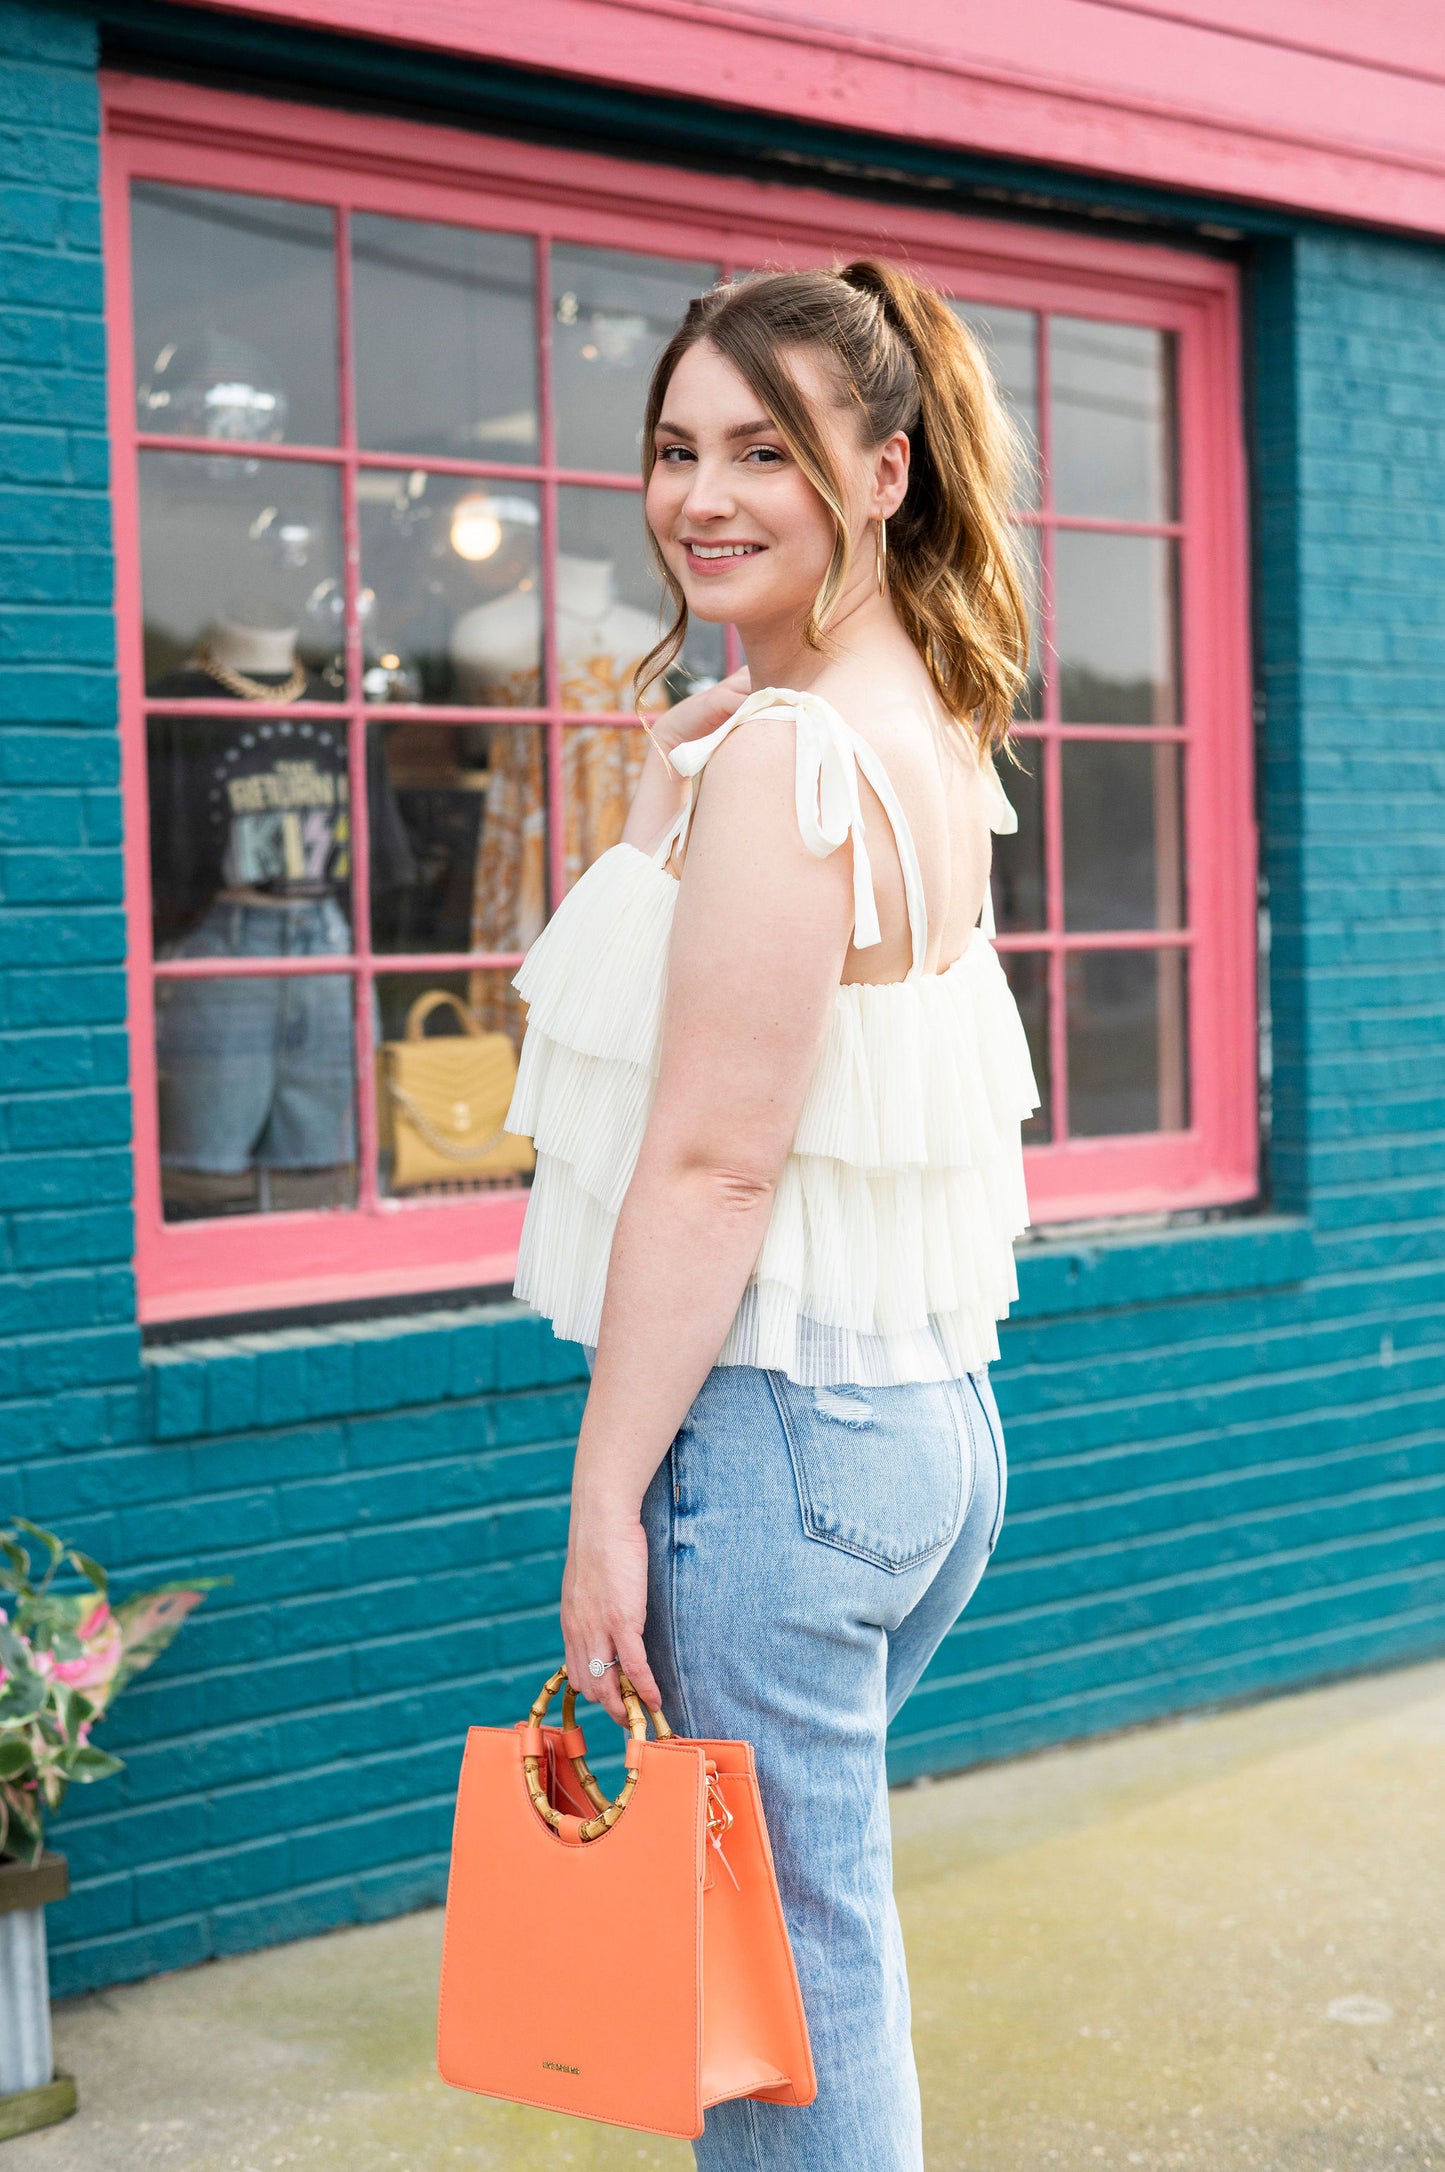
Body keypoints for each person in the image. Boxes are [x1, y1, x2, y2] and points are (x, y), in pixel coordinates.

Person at [502, 260, 1040, 2169]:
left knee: (787, 2004)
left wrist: (598, 1509)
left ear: (881, 474)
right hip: (917, 1431)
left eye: (764, 450)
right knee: (806, 1953)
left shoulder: (794, 758)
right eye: (672, 449)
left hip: (772, 1449)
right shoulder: (905, 719)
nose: (701, 496)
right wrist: (665, 811)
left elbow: (713, 1160)